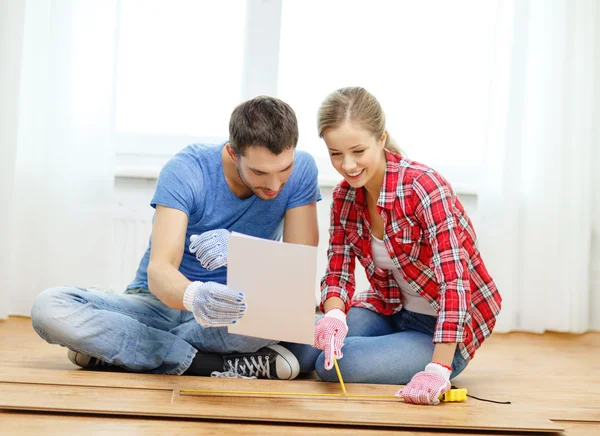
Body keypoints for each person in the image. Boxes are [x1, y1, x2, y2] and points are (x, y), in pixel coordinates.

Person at [31, 96, 322, 380]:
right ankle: (202, 363)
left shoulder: (303, 170)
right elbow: (159, 273)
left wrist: (240, 249)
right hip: (160, 305)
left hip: (231, 312)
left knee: (288, 316)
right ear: (234, 154)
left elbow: (296, 270)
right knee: (49, 308)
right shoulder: (187, 170)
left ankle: (127, 348)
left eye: (284, 169)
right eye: (259, 172)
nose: (274, 184)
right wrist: (195, 296)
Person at [312, 87, 502, 405]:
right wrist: (333, 315)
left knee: (330, 365)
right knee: (310, 339)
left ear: (382, 138)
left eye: (358, 151)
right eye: (335, 154)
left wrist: (439, 368)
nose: (347, 165)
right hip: (392, 309)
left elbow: (455, 283)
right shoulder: (345, 197)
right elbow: (338, 269)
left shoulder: (424, 188)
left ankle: (425, 358)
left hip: (441, 329)